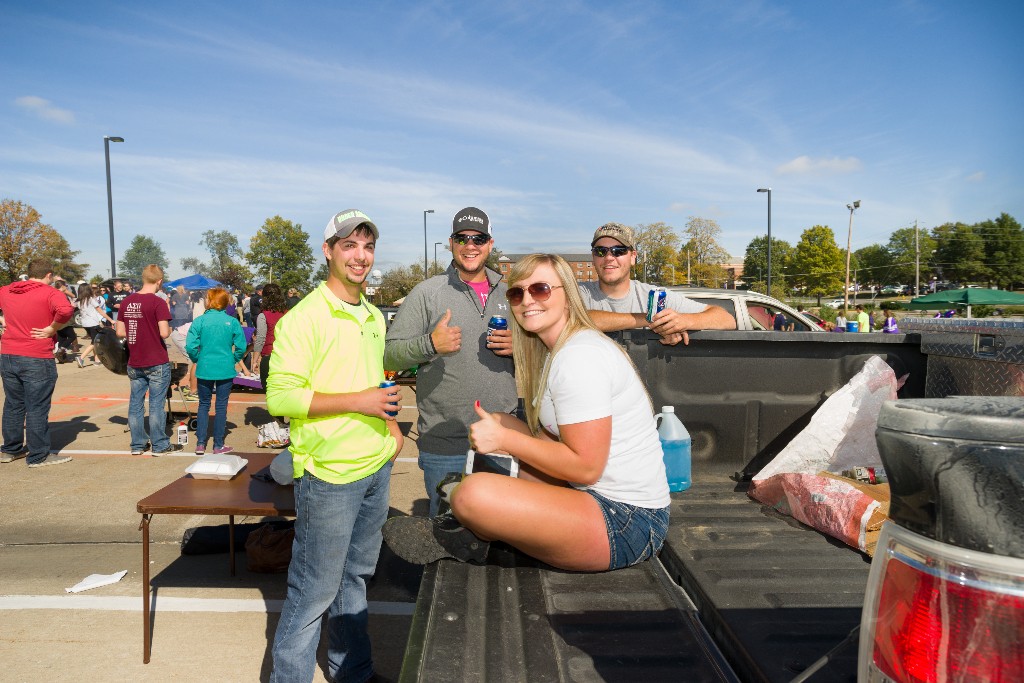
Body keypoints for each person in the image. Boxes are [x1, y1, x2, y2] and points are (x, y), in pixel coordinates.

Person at [383, 253, 671, 571]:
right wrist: (504, 432)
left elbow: (586, 468)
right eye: (517, 292)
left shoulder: (580, 357)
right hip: (594, 498)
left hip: (626, 522)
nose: (527, 299)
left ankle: (477, 537)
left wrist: (505, 441)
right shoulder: (558, 350)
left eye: (541, 289)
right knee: (502, 419)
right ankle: (493, 529)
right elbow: (553, 443)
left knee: (472, 496)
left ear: (568, 295)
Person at [268, 209, 403, 683]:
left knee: (356, 583)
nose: (360, 256)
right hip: (328, 476)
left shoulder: (370, 313)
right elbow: (280, 397)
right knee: (312, 594)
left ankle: (354, 674)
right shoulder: (304, 317)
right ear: (328, 251)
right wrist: (362, 401)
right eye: (349, 245)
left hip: (374, 467)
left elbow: (370, 382)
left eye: (367, 246)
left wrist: (387, 422)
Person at [384, 206, 518, 515]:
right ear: (451, 242)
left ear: (490, 243)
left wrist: (520, 347)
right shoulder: (427, 293)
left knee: (500, 531)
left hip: (503, 439)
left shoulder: (511, 293)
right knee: (448, 534)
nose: (470, 246)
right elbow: (390, 353)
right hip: (446, 444)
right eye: (462, 238)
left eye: (478, 239)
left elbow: (542, 353)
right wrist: (430, 343)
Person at [578, 223, 735, 345]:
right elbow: (579, 319)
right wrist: (653, 321)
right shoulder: (578, 292)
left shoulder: (655, 296)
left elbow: (727, 320)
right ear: (593, 257)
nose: (609, 257)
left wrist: (681, 322)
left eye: (618, 250)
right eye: (600, 251)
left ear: (633, 257)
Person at [0, 259, 75, 467]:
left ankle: (10, 449)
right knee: (37, 407)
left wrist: (4, 321)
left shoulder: (7, 290)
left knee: (13, 404)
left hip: (8, 354)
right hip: (35, 356)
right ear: (49, 275)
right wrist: (52, 328)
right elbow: (66, 311)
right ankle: (38, 455)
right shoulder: (50, 293)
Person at [117, 264, 183, 456]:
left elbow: (120, 332)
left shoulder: (127, 301)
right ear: (159, 281)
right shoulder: (158, 302)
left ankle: (137, 444)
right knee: (156, 404)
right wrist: (168, 329)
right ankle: (160, 445)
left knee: (135, 403)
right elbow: (164, 333)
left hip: (135, 359)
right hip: (156, 360)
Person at [185, 287, 247, 455]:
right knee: (221, 406)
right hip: (225, 368)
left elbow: (190, 346)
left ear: (209, 301)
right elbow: (241, 346)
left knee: (203, 405)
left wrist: (198, 358)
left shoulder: (200, 321)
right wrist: (233, 359)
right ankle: (218, 444)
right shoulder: (232, 321)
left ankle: (200, 443)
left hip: (205, 367)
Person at [251, 282, 287, 390]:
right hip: (286, 356)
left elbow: (261, 338)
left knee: (269, 392)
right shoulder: (288, 313)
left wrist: (255, 360)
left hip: (270, 355)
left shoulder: (263, 315)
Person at [75, 282, 114, 367]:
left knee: (94, 340)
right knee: (95, 342)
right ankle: (81, 357)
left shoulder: (79, 301)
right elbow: (101, 311)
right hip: (93, 323)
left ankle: (97, 360)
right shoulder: (91, 299)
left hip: (85, 324)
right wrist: (111, 320)